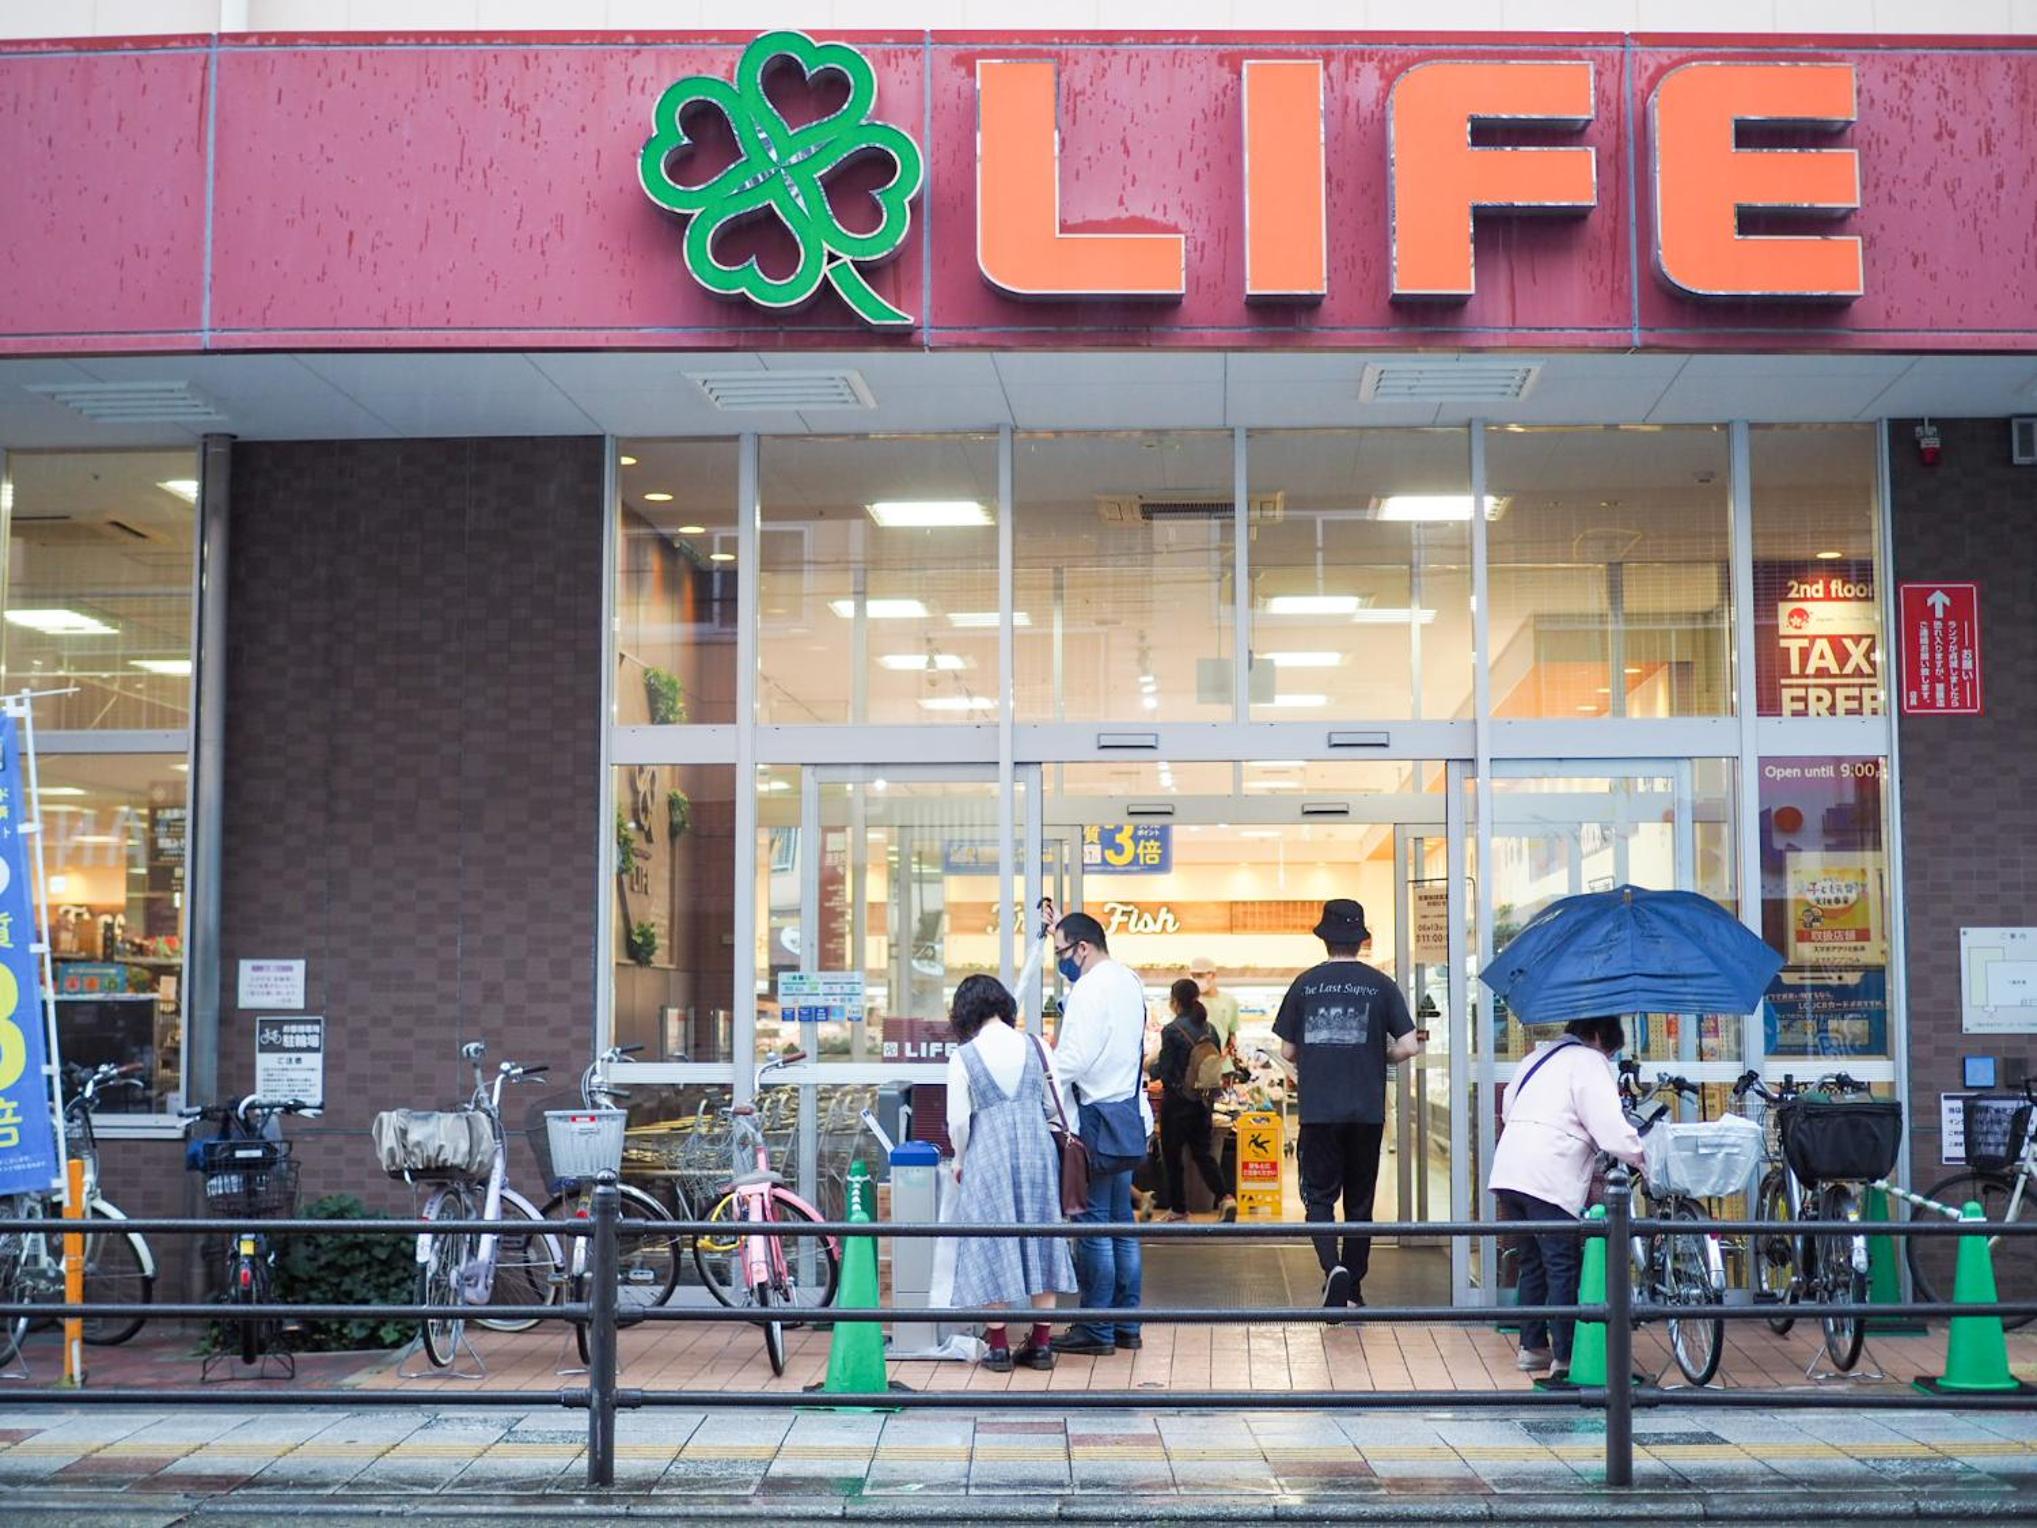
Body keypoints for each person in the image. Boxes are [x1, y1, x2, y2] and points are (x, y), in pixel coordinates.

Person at [1273, 898, 1425, 1310]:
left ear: (1324, 939)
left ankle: (1332, 1269)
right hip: (1366, 1111)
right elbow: (1409, 1045)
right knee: (1360, 1202)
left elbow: (1287, 1051)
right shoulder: (1381, 985)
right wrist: (1379, 1055)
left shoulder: (1305, 984)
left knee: (1319, 1197)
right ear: (1361, 941)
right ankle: (1354, 1288)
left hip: (1319, 1110)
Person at [1488, 1016, 1645, 1382]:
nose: (1608, 1059)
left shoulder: (1536, 1057)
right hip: (1549, 1172)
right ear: (1597, 1037)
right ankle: (1565, 1354)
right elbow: (1608, 1124)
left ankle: (1532, 1347)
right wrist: (1642, 1157)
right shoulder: (1588, 1061)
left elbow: (1509, 1108)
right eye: (1610, 1051)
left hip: (1510, 1169)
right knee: (1561, 1263)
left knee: (1532, 1262)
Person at [943, 973, 1078, 1372]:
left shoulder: (964, 1057)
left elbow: (958, 1121)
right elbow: (1055, 1105)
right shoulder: (1037, 1046)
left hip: (987, 1154)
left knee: (992, 1241)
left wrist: (960, 1159)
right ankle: (1041, 1345)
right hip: (1037, 1152)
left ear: (964, 1013)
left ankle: (999, 1347)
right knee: (1043, 1239)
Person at [1047, 910, 1152, 1356]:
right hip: (1127, 1117)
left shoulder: (1089, 988)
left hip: (1094, 1119)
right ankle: (1127, 1325)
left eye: (1061, 951)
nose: (1060, 961)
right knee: (1121, 1225)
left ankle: (1096, 1329)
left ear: (1083, 948)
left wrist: (1042, 1078)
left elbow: (1073, 1059)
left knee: (1093, 1227)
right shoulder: (1129, 980)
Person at [1147, 978, 1238, 1224]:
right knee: (1203, 1155)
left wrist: (1150, 1067)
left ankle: (1179, 1210)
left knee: (1172, 1158)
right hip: (1203, 1101)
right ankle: (1225, 1197)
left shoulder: (1172, 1030)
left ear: (1175, 1001)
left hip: (1177, 1103)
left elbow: (1166, 1071)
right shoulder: (1210, 1029)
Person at [1188, 956, 1241, 1054]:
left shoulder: (1230, 1001)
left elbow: (1232, 1033)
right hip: (1197, 1060)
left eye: (1200, 975)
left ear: (1213, 975)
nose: (1196, 980)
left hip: (1222, 1060)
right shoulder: (1189, 1001)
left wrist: (1230, 1049)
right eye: (1193, 976)